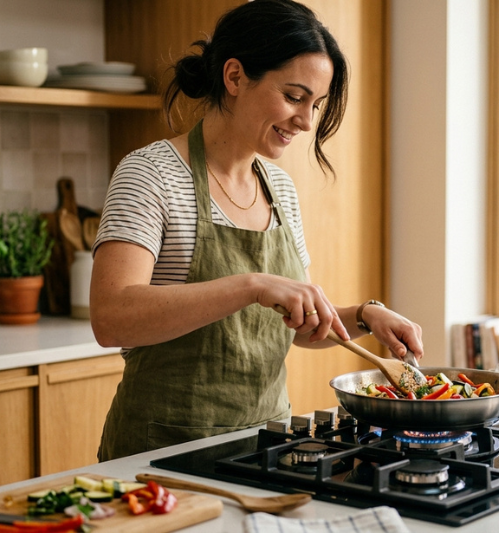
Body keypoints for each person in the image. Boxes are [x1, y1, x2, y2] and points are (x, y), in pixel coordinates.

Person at [91, 0, 424, 461]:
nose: (307, 122)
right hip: (162, 450)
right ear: (234, 77)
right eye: (294, 97)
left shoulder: (279, 189)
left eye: (316, 104)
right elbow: (111, 318)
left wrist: (365, 315)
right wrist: (250, 285)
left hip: (267, 445)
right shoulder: (151, 174)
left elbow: (303, 328)